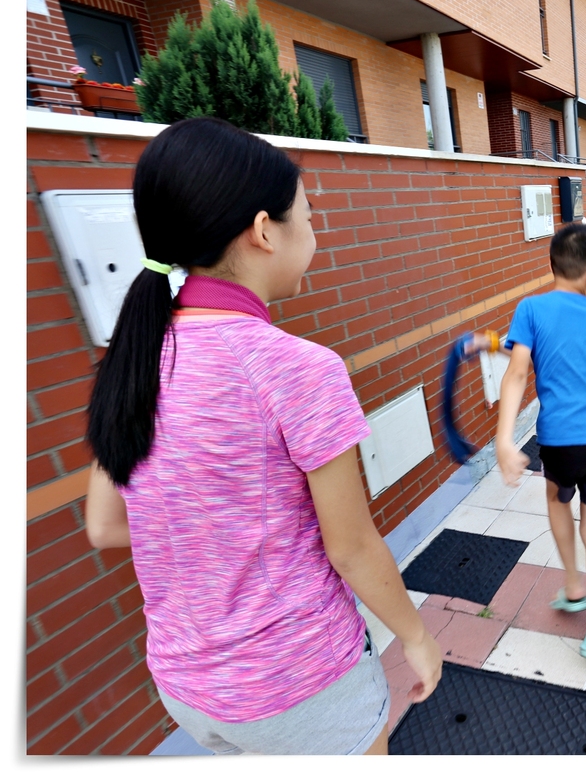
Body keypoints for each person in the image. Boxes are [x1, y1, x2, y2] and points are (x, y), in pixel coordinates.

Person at [84, 117, 442, 755]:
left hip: (187, 689)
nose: (313, 234)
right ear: (263, 231)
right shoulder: (297, 368)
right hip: (299, 685)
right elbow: (352, 547)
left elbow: (107, 526)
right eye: (306, 217)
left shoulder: (133, 358)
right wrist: (415, 636)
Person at [494, 223, 586, 661]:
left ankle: (573, 584)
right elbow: (564, 350)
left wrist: (504, 440)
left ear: (552, 264)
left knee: (557, 501)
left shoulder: (529, 309)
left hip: (561, 439)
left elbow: (519, 371)